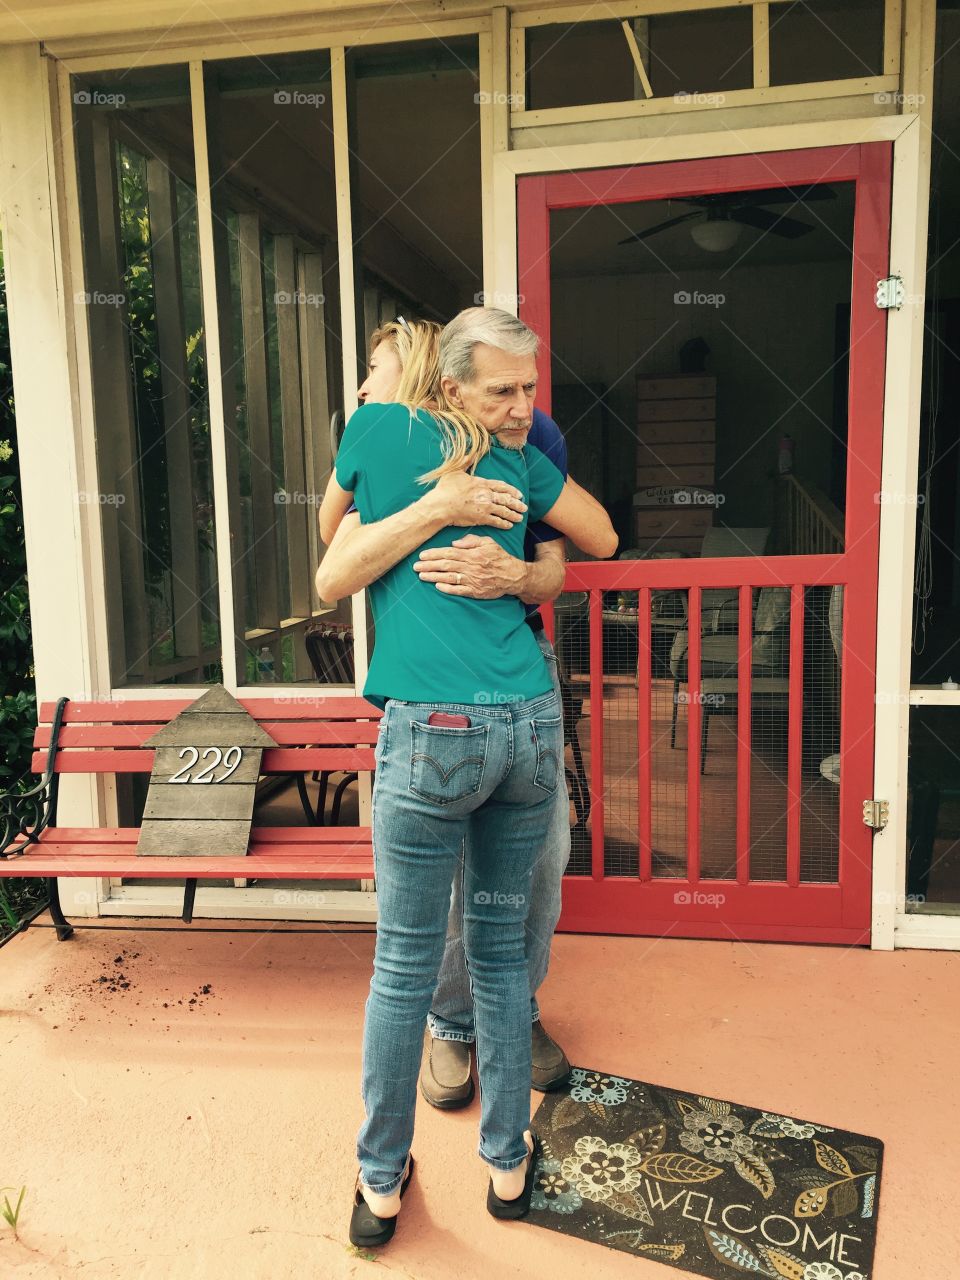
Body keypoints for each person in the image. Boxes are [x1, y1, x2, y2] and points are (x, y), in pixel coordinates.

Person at [315, 308, 616, 1248]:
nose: (524, 406)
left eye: (531, 388)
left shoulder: (381, 434)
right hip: (525, 729)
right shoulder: (511, 462)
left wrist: (523, 574)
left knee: (404, 963)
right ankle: (508, 1166)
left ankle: (379, 1189)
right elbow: (601, 535)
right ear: (452, 386)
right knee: (494, 953)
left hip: (438, 732)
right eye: (506, 391)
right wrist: (445, 506)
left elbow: (328, 564)